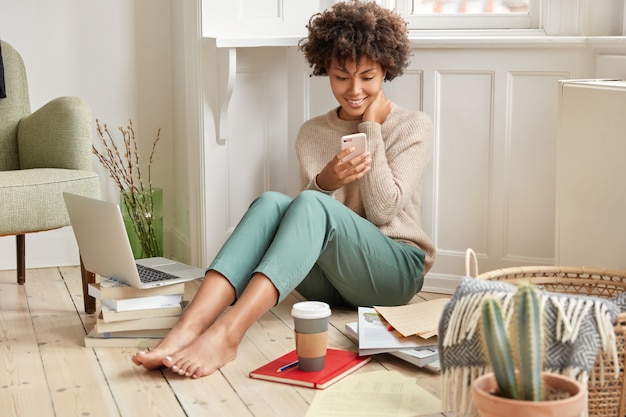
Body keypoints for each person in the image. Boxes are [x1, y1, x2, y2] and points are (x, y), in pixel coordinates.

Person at [132, 0, 435, 379]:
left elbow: (382, 212)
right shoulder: (312, 133)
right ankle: (186, 330)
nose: (354, 90)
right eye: (342, 77)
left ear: (386, 70)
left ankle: (228, 333)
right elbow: (306, 229)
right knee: (272, 202)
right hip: (330, 285)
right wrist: (326, 181)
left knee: (307, 201)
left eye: (367, 77)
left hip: (394, 273)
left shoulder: (412, 126)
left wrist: (371, 129)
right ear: (325, 69)